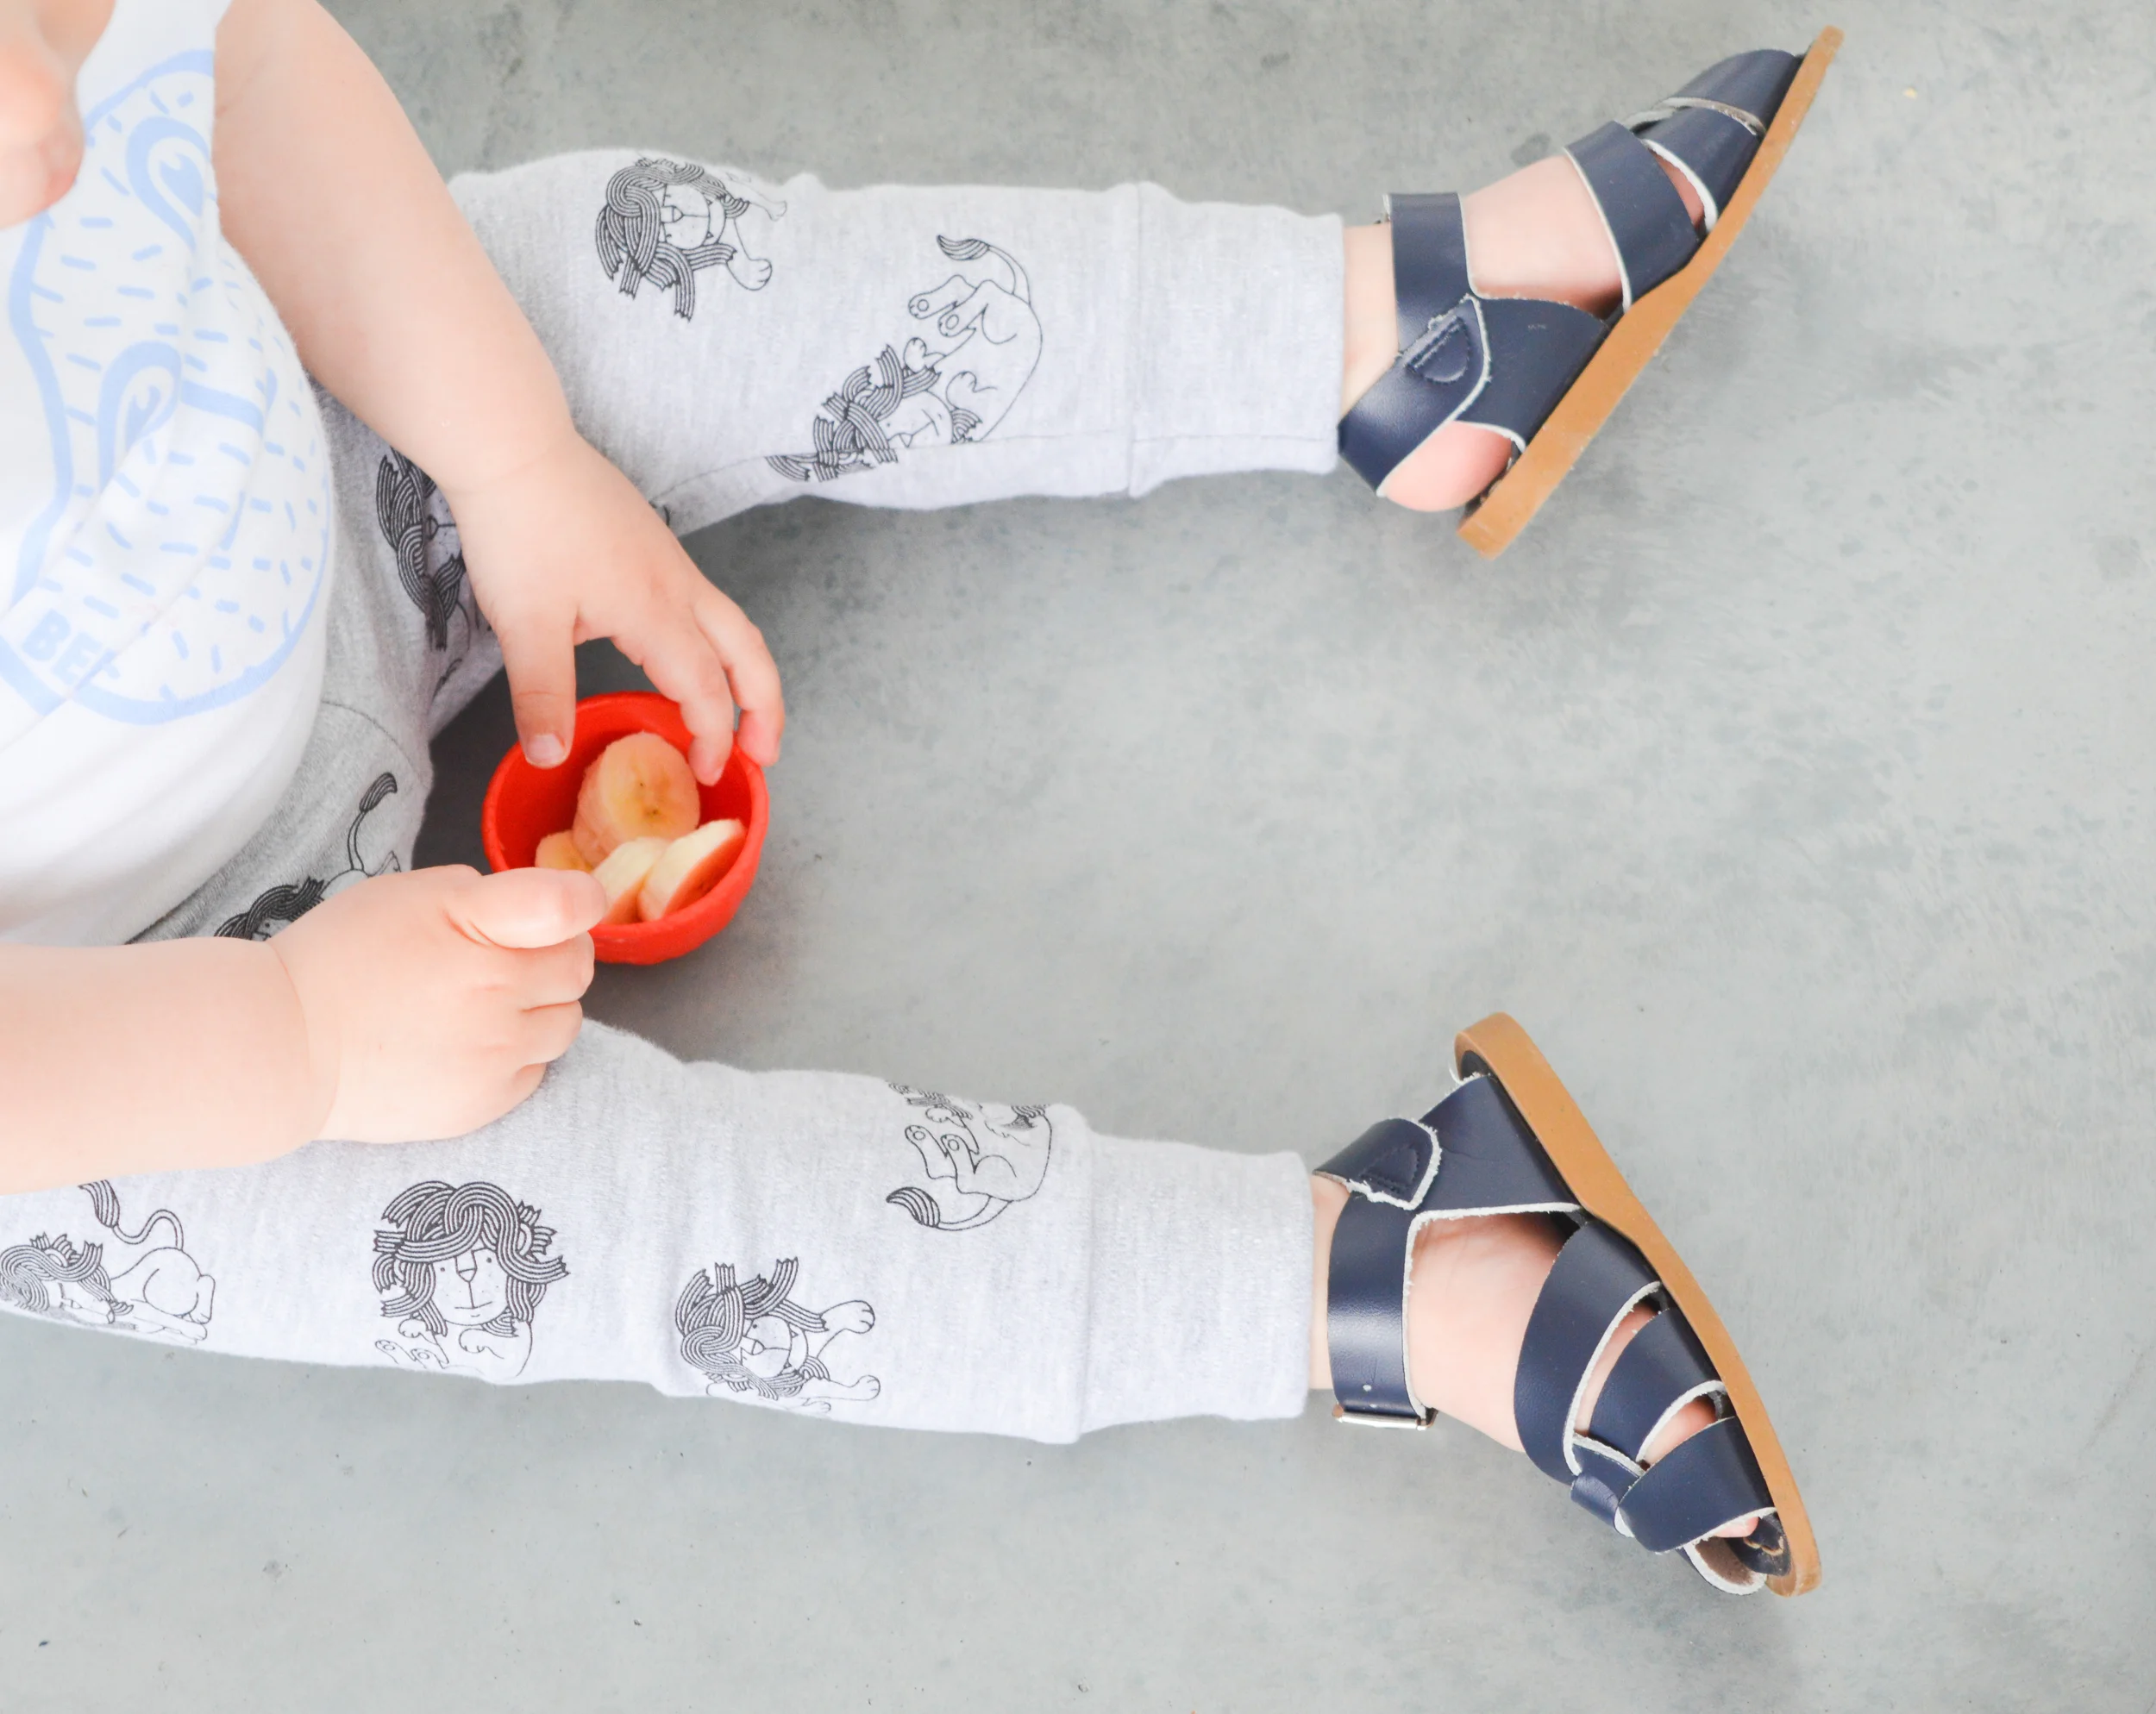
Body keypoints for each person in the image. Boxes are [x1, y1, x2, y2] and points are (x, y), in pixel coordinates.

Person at [0, 0, 1823, 1595]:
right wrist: (301, 1031)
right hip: (132, 1020)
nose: (32, 107)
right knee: (624, 1230)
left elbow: (242, 69)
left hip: (318, 464)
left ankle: (1396, 335)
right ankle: (1394, 1275)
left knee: (614, 267)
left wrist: (509, 452)